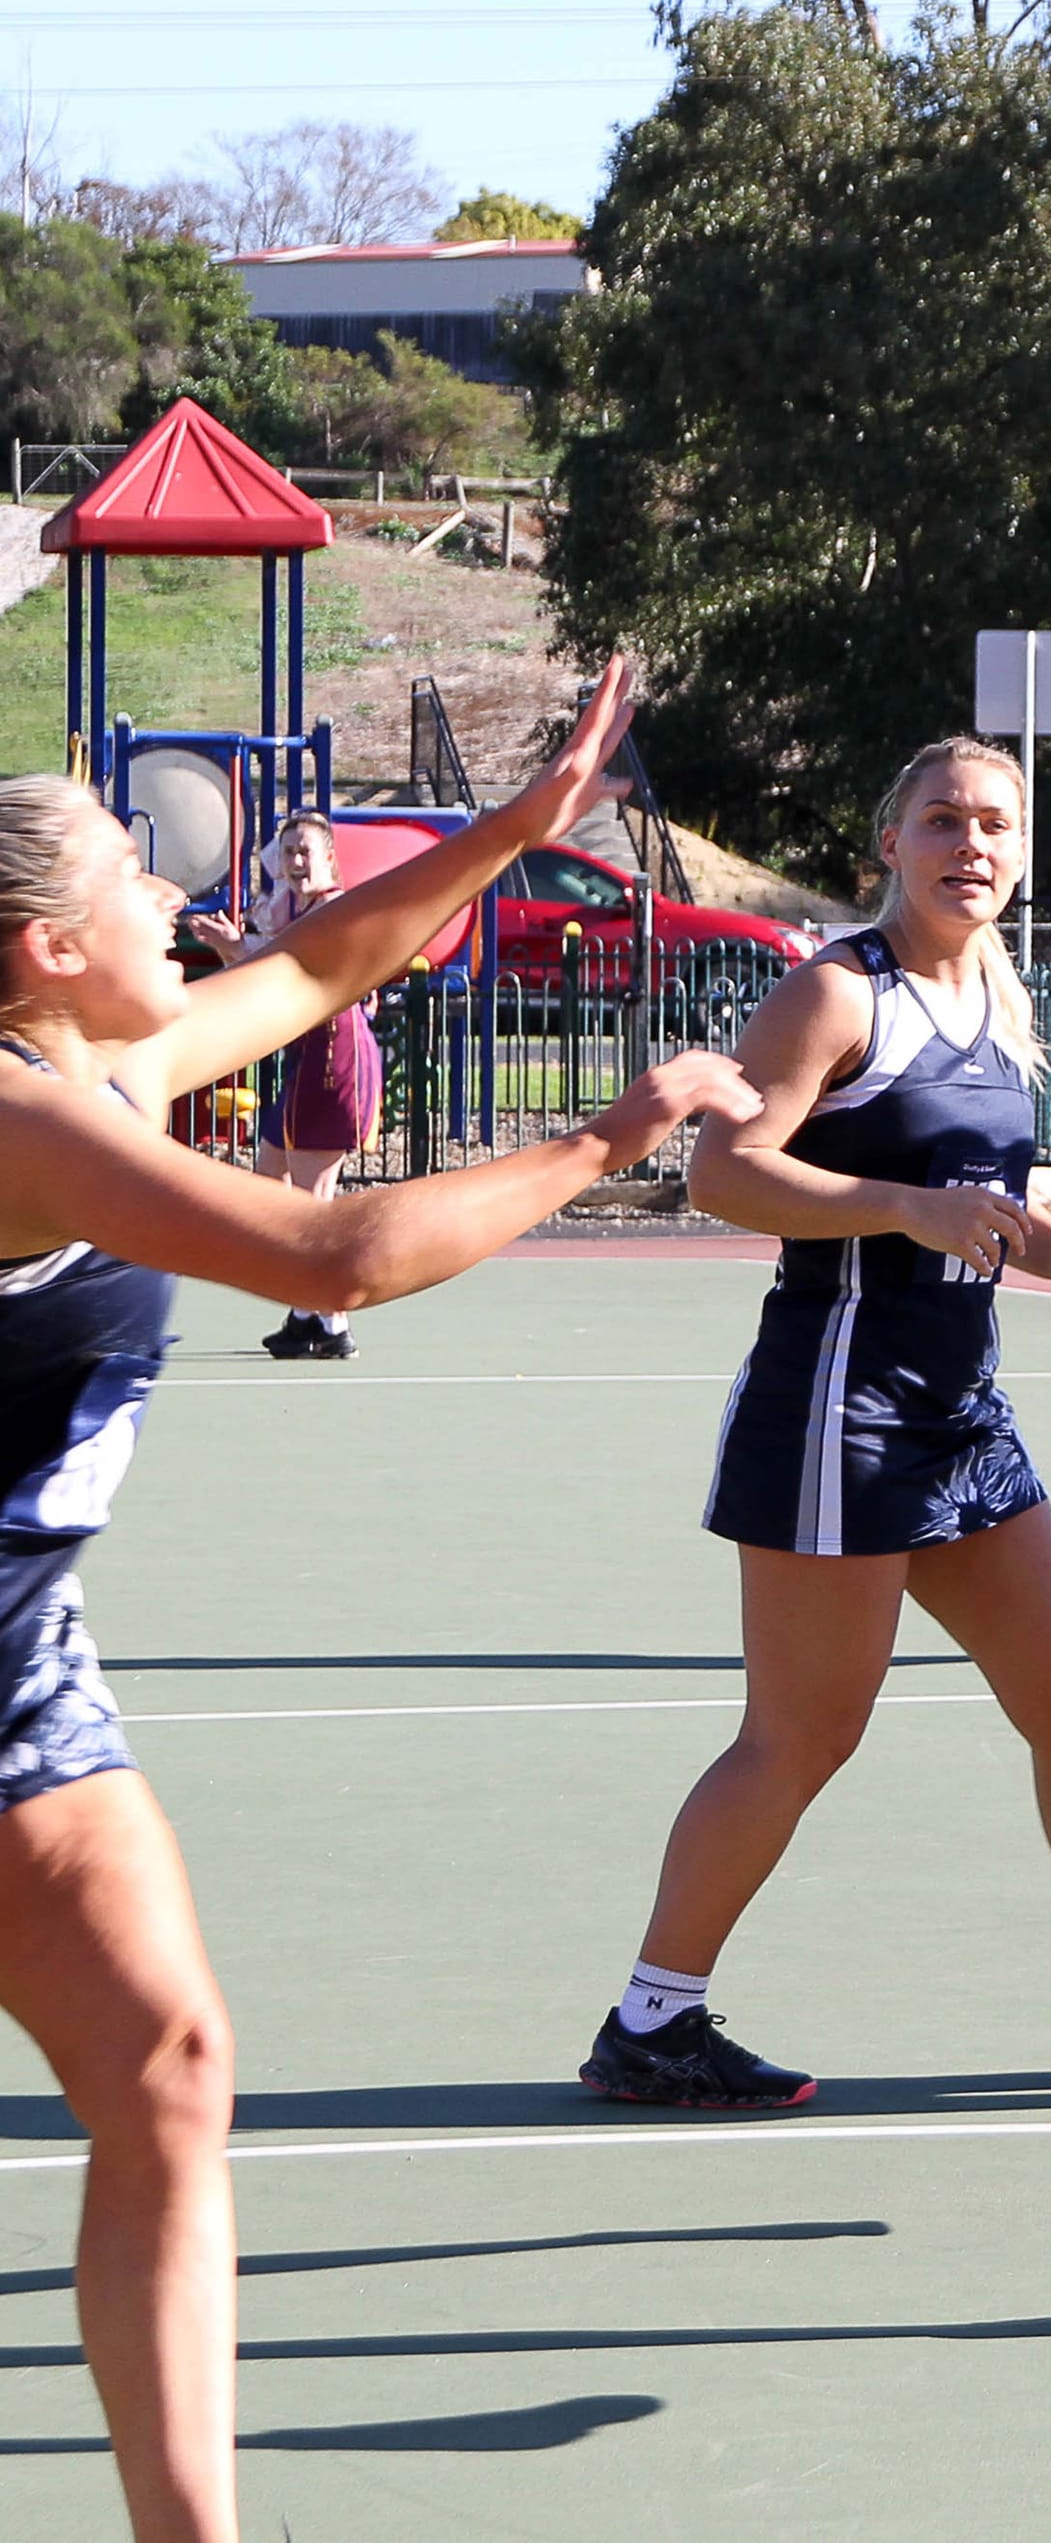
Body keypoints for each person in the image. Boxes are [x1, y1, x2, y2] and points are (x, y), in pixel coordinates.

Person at [0, 664, 759, 2543]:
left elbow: (326, 965)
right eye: (138, 876)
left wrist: (511, 833)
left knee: (170, 2068)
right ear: (43, 943)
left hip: (24, 1672)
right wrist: (605, 1139)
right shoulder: (18, 1118)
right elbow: (337, 1246)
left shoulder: (98, 1062)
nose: (183, 903)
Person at [580, 736, 1051, 2112]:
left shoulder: (996, 991)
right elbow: (726, 1172)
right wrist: (902, 1208)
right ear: (890, 842)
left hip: (961, 1409)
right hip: (837, 1408)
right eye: (941, 819)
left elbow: (972, 1189)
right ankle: (651, 2018)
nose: (969, 842)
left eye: (994, 823)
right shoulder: (835, 991)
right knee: (800, 1735)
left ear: (1022, 852)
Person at [187, 808, 383, 1361]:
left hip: (334, 1057)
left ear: (328, 860)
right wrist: (233, 945)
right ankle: (305, 1314)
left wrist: (240, 946)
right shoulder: (291, 908)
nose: (296, 861)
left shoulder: (334, 909)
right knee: (270, 1178)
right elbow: (272, 971)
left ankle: (334, 1320)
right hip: (308, 1058)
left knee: (310, 1206)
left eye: (306, 852)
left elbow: (292, 969)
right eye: (289, 851)